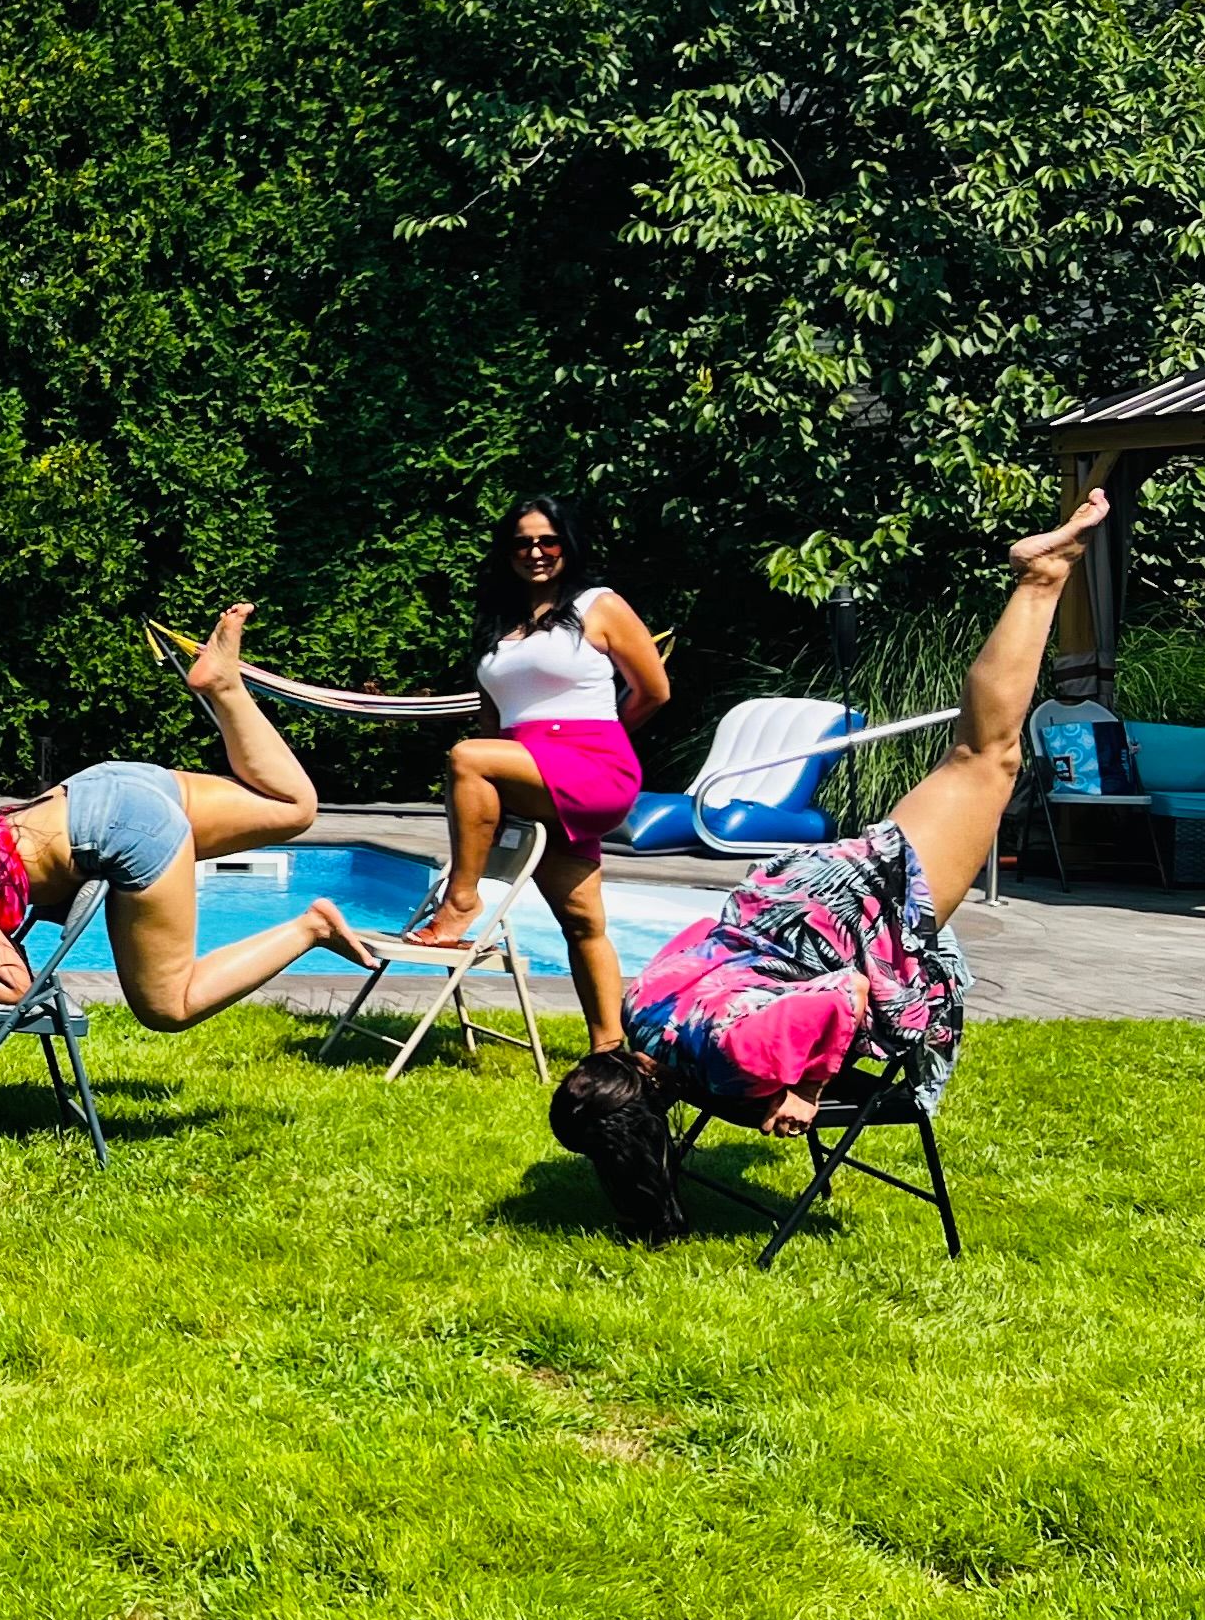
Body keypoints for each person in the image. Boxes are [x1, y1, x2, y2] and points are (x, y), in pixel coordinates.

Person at [550, 494, 1107, 1243]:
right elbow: (693, 940)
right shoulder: (641, 1018)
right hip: (784, 899)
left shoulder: (736, 1059)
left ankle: (1038, 580)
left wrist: (806, 1089)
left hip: (843, 917)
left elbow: (845, 992)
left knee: (987, 755)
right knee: (974, 758)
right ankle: (1037, 581)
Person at [0, 604, 378, 1134]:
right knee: (294, 808)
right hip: (99, 788)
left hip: (123, 827)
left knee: (168, 1007)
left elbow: (16, 987)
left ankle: (310, 928)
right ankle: (223, 687)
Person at [408, 496, 668, 1050]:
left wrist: (604, 737)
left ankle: (460, 903)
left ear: (567, 546)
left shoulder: (600, 605)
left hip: (593, 764)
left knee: (465, 755)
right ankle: (611, 1050)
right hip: (524, 770)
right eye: (522, 542)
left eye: (547, 541)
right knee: (581, 921)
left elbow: (655, 690)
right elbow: (495, 715)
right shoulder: (498, 623)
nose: (535, 552)